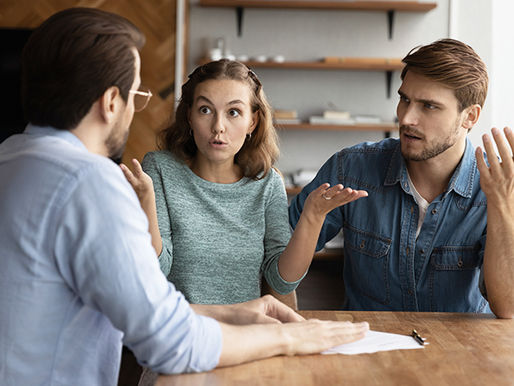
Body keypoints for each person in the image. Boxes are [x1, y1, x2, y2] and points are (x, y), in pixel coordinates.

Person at [0, 8, 369, 385]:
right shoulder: (91, 183)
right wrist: (287, 336)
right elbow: (170, 339)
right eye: (136, 94)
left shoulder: (9, 159)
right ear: (112, 102)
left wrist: (237, 312)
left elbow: (145, 307)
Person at [289, 38, 514, 318]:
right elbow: (277, 256)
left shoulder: (497, 189)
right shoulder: (351, 169)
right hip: (367, 347)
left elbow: (509, 308)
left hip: (457, 353)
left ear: (470, 116)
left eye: (428, 106)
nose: (406, 118)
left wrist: (503, 205)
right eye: (404, 99)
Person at [121, 59, 367, 306]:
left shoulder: (268, 183)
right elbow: (155, 270)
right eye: (205, 110)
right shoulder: (160, 169)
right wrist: (145, 200)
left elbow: (281, 281)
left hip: (247, 333)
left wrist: (313, 217)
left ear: (253, 121)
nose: (218, 127)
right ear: (189, 116)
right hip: (184, 331)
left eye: (233, 112)